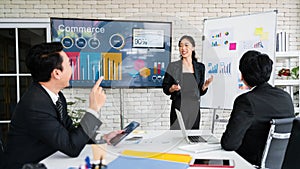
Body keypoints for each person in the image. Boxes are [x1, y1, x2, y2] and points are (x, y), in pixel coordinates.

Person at [3, 42, 122, 169]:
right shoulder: (35, 105)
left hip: (50, 161)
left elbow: (70, 133)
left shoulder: (57, 96)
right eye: (69, 64)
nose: (72, 68)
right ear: (57, 73)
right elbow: (72, 147)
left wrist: (102, 138)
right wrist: (93, 108)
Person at [221, 50, 295, 166]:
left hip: (248, 163)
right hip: (280, 164)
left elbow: (229, 144)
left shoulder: (246, 101)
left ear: (245, 75)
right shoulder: (286, 97)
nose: (241, 78)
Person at [162, 35, 213, 130]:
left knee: (193, 137)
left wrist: (204, 87)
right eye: (181, 46)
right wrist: (172, 88)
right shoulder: (173, 66)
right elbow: (165, 88)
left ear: (193, 48)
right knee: (176, 136)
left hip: (194, 107)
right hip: (178, 106)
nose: (183, 48)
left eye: (186, 45)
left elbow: (200, 92)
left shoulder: (200, 67)